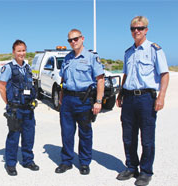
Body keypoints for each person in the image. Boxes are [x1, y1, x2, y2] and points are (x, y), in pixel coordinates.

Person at [116, 16, 169, 186]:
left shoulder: (155, 50)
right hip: (129, 98)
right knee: (128, 137)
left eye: (140, 28)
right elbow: (126, 74)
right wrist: (121, 93)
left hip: (146, 98)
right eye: (133, 28)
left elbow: (164, 74)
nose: (136, 31)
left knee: (146, 138)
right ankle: (131, 167)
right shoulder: (128, 52)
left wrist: (161, 96)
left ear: (146, 30)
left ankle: (146, 171)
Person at [55, 29, 104, 175]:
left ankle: (84, 162)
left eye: (75, 39)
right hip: (68, 100)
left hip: (84, 99)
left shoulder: (91, 57)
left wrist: (98, 101)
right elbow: (63, 80)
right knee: (67, 132)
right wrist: (62, 99)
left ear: (82, 38)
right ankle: (66, 161)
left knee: (85, 133)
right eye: (70, 40)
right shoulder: (67, 58)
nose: (73, 42)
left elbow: (100, 80)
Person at [0, 40, 39, 176]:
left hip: (28, 109)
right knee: (14, 137)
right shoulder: (8, 68)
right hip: (15, 109)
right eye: (19, 51)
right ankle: (10, 164)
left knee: (29, 136)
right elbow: (1, 87)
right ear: (13, 52)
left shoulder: (27, 67)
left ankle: (28, 161)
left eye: (23, 50)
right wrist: (9, 103)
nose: (21, 53)